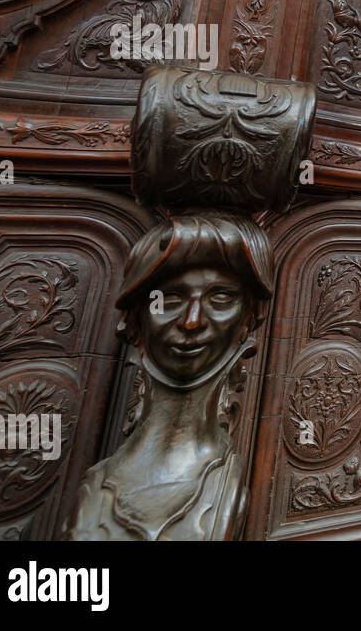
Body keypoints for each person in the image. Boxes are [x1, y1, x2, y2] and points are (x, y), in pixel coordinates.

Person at [66, 213, 274, 540]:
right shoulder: (96, 489)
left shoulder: (224, 481)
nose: (192, 322)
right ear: (134, 320)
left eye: (221, 299)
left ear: (248, 319)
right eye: (170, 300)